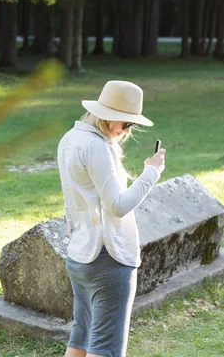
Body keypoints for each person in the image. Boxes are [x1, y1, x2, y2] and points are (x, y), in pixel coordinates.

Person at [57, 80, 166, 357]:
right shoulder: (97, 147)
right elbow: (118, 206)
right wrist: (151, 173)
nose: (126, 130)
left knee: (81, 336)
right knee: (105, 348)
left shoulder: (70, 139)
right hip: (108, 256)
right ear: (108, 115)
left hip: (80, 254)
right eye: (126, 123)